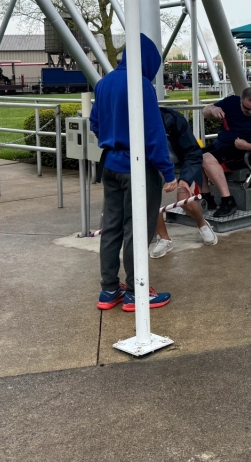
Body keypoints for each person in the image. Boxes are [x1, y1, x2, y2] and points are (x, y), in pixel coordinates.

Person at [90, 34, 178, 312]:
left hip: (110, 164)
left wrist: (112, 138)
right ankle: (135, 291)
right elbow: (154, 134)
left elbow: (94, 123)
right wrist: (168, 172)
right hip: (138, 167)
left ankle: (109, 290)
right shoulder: (141, 85)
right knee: (137, 229)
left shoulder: (104, 83)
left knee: (111, 228)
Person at [151, 106, 218, 257]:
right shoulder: (133, 121)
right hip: (155, 167)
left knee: (185, 201)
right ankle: (164, 239)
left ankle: (202, 223)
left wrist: (185, 180)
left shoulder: (173, 119)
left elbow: (192, 152)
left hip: (182, 164)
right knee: (150, 200)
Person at [201, 87, 251, 218]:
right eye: (246, 108)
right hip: (221, 146)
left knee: (206, 158)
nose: (250, 112)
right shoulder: (231, 102)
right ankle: (207, 198)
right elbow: (205, 112)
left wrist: (247, 145)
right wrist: (213, 109)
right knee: (194, 156)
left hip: (243, 153)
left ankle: (228, 200)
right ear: (240, 101)